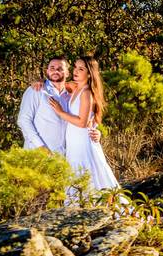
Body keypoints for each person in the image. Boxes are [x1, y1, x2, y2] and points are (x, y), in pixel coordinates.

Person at [46, 55, 120, 200]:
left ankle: (100, 207)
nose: (76, 71)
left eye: (81, 69)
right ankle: (79, 209)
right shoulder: (75, 87)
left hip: (82, 142)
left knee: (90, 175)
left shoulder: (86, 93)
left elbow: (82, 122)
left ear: (89, 73)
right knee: (77, 176)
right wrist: (39, 82)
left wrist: (60, 112)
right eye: (75, 67)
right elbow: (57, 83)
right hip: (74, 142)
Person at [17, 56, 100, 155]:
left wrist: (95, 131)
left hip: (65, 155)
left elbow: (88, 115)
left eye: (60, 69)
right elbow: (24, 120)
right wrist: (40, 147)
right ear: (47, 71)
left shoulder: (72, 94)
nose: (55, 71)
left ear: (68, 73)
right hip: (38, 153)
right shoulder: (36, 90)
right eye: (52, 68)